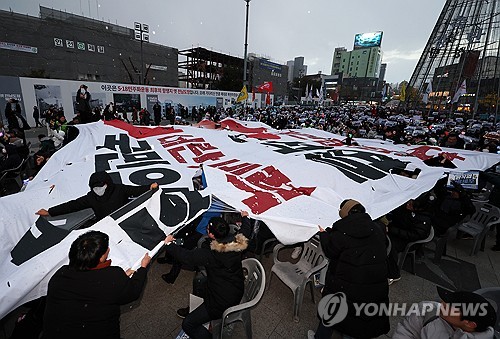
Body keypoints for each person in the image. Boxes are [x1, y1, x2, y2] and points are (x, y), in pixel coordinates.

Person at [42, 230, 151, 339]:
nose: (108, 250)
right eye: (106, 249)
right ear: (99, 258)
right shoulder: (112, 276)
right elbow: (133, 291)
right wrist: (143, 268)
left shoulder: (60, 275)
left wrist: (120, 280)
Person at [309, 199, 390, 339]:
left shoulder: (342, 232)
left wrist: (324, 234)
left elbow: (330, 251)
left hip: (346, 283)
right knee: (357, 323)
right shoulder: (377, 228)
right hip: (373, 284)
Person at [163, 217, 248, 339]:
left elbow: (187, 257)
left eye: (208, 229)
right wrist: (245, 217)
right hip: (236, 288)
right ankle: (196, 308)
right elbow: (246, 230)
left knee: (188, 324)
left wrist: (168, 244)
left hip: (221, 301)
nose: (206, 230)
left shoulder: (210, 255)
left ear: (212, 235)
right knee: (199, 280)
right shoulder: (238, 240)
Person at [36, 171, 158, 221]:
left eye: (101, 186)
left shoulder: (120, 189)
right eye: (95, 188)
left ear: (107, 184)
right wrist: (50, 212)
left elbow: (136, 190)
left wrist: (149, 187)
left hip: (123, 221)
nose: (98, 190)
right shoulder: (91, 197)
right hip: (105, 225)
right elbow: (72, 205)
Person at [392, 286, 497, 338]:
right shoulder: (427, 311)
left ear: (469, 324)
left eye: (451, 306)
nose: (442, 303)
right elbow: (404, 332)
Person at [386, 194, 433, 284]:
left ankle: (393, 274)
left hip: (409, 240)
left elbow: (414, 235)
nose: (408, 205)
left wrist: (392, 230)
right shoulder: (407, 210)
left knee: (390, 245)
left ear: (419, 208)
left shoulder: (424, 219)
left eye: (411, 204)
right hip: (398, 231)